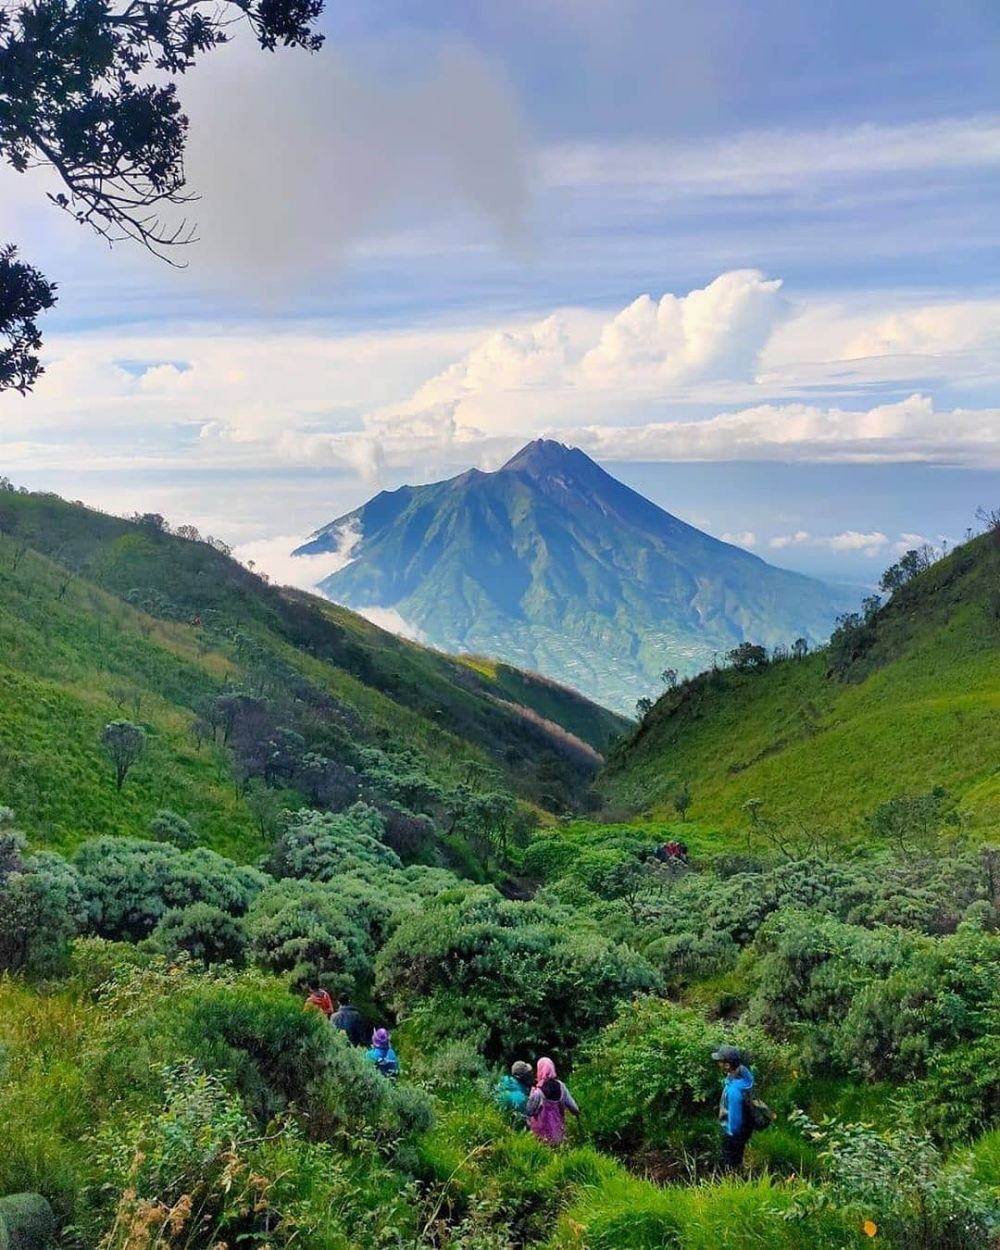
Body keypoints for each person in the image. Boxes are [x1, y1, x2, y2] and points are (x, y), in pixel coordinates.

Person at [713, 1045, 754, 1170]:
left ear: (727, 1066)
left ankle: (733, 1181)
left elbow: (735, 1123)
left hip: (734, 1133)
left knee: (730, 1162)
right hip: (747, 1127)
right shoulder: (744, 1074)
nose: (718, 1063)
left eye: (721, 1061)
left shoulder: (734, 1091)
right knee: (737, 1156)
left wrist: (729, 1135)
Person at [524, 1057, 579, 1145]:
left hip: (541, 1137)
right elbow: (574, 1108)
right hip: (558, 1133)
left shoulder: (538, 1092)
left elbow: (529, 1111)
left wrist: (531, 1095)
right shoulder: (561, 1086)